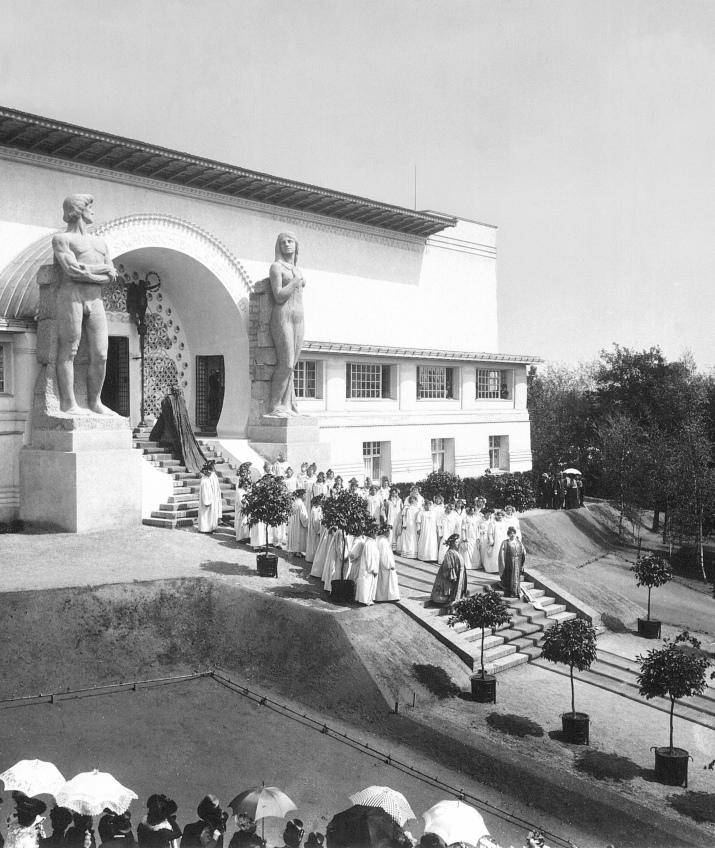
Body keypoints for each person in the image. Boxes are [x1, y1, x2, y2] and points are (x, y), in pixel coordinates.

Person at [51, 194, 118, 416]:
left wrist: (94, 273)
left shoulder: (100, 242)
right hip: (72, 296)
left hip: (95, 298)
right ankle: (68, 403)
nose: (93, 211)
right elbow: (72, 271)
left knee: (100, 354)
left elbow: (112, 276)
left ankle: (94, 402)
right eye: (90, 206)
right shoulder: (62, 239)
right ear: (78, 210)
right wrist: (103, 271)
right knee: (69, 349)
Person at [267, 232, 305, 417]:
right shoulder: (276, 267)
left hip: (299, 317)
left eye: (290, 241)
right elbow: (279, 296)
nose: (287, 245)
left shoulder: (296, 269)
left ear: (296, 245)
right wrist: (296, 281)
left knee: (293, 364)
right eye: (283, 242)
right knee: (287, 363)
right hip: (283, 316)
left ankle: (287, 405)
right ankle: (274, 406)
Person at [430, 533, 467, 612]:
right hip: (451, 576)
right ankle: (448, 603)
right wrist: (452, 576)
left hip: (459, 573)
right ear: (452, 543)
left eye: (458, 542)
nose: (458, 544)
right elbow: (448, 566)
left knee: (458, 589)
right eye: (456, 542)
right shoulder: (449, 553)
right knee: (450, 590)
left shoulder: (455, 551)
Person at [349, 523, 380, 605]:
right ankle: (364, 600)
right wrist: (373, 569)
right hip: (367, 569)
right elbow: (370, 558)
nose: (376, 534)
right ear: (372, 533)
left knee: (367, 584)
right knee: (366, 583)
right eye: (376, 532)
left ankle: (367, 599)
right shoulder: (369, 544)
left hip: (367, 568)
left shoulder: (371, 542)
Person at [375, 522, 400, 602]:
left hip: (380, 563)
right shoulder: (384, 542)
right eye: (388, 531)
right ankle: (388, 597)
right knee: (387, 582)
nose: (389, 533)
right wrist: (390, 565)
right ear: (385, 532)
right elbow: (386, 555)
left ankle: (380, 597)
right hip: (385, 565)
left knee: (381, 582)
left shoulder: (378, 539)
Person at [499, 526, 526, 598]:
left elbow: (523, 552)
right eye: (510, 533)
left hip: (518, 561)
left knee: (517, 576)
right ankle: (510, 592)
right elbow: (502, 553)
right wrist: (503, 563)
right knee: (510, 576)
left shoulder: (519, 542)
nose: (512, 535)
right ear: (508, 534)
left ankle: (516, 591)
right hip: (509, 561)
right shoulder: (506, 542)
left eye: (513, 533)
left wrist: (522, 563)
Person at [197, 460, 222, 533]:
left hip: (212, 497)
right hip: (208, 498)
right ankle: (205, 528)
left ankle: (211, 526)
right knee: (206, 514)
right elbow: (205, 491)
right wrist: (207, 500)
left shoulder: (211, 476)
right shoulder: (205, 481)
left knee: (210, 514)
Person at [287, 489, 309, 556]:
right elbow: (303, 516)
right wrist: (307, 521)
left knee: (294, 535)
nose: (306, 496)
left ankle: (294, 550)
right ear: (302, 495)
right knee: (299, 535)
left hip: (292, 522)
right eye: (305, 495)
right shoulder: (301, 504)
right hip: (298, 523)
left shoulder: (293, 502)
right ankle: (298, 551)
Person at [305, 494, 324, 563]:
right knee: (314, 544)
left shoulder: (315, 508)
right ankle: (313, 559)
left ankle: (311, 557)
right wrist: (319, 530)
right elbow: (316, 521)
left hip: (313, 529)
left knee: (313, 544)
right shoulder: (316, 509)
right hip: (315, 530)